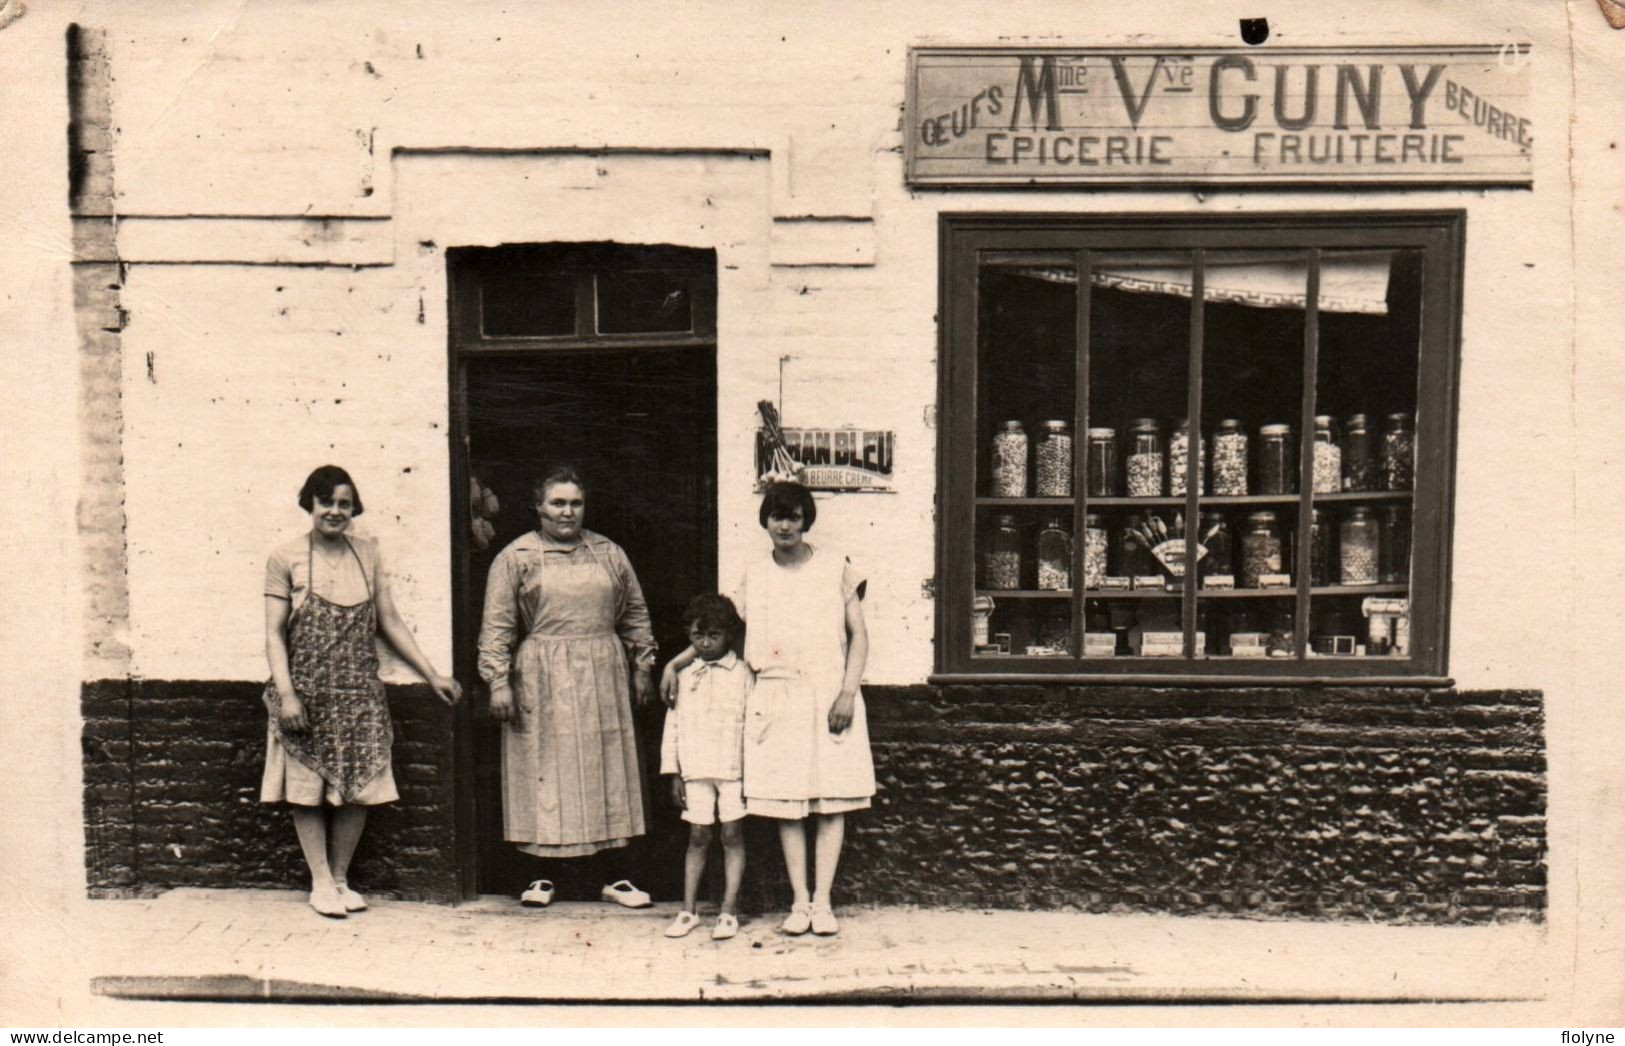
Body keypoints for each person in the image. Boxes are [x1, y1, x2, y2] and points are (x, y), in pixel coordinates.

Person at [662, 481, 874, 937]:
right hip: (775, 696)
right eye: (777, 516)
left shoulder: (836, 567)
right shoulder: (754, 575)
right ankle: (799, 902)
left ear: (805, 520)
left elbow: (859, 636)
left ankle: (823, 902)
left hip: (826, 694)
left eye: (793, 516)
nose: (785, 525)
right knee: (787, 803)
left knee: (830, 802)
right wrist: (677, 662)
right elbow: (720, 629)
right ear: (766, 522)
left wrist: (846, 693)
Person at [263, 465, 463, 919]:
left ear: (354, 509)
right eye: (326, 503)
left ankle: (339, 878)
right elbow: (274, 634)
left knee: (361, 786)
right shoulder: (285, 557)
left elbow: (388, 620)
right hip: (307, 692)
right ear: (309, 505)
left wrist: (432, 675)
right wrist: (288, 694)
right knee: (306, 788)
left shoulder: (367, 554)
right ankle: (318, 881)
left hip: (360, 693)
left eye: (344, 504)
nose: (335, 512)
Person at [478, 465, 658, 908]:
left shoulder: (609, 553)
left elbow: (635, 613)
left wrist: (642, 666)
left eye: (575, 503)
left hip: (603, 672)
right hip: (543, 675)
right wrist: (498, 682)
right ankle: (541, 876)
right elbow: (497, 626)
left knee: (607, 766)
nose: (567, 512)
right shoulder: (516, 557)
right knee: (547, 769)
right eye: (557, 503)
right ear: (538, 507)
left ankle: (616, 876)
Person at [659, 594, 751, 941]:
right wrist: (675, 773)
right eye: (698, 636)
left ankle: (729, 910)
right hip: (695, 769)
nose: (706, 643)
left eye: (714, 635)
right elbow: (674, 726)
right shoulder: (684, 675)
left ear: (728, 635)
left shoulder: (742, 674)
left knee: (732, 835)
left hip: (733, 771)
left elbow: (752, 725)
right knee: (698, 836)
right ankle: (688, 910)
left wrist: (749, 775)